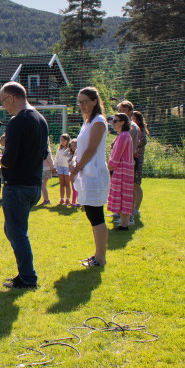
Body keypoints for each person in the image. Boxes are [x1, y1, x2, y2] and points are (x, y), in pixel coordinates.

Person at [0, 82, 48, 289]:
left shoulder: (17, 121)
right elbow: (43, 153)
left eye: (3, 101)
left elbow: (9, 160)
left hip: (17, 185)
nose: (4, 107)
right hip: (34, 185)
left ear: (11, 98)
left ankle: (28, 278)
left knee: (16, 233)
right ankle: (24, 276)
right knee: (16, 231)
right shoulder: (40, 119)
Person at [69, 87, 111, 268]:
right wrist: (74, 161)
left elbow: (92, 149)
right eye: (79, 102)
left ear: (95, 101)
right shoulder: (87, 122)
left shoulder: (99, 121)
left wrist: (76, 167)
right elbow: (81, 148)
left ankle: (100, 258)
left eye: (85, 101)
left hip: (95, 174)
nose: (82, 105)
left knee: (96, 215)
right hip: (87, 174)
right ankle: (97, 255)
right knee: (91, 214)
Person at [107, 113, 134, 231]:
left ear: (123, 122)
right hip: (123, 168)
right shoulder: (122, 135)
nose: (113, 123)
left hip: (122, 169)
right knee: (123, 195)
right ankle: (123, 224)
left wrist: (110, 165)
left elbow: (117, 153)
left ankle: (124, 224)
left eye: (116, 121)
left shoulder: (123, 136)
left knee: (123, 195)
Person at [115, 101, 141, 226]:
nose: (121, 113)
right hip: (122, 162)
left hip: (128, 161)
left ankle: (129, 216)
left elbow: (128, 148)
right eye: (120, 110)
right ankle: (121, 214)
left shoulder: (131, 128)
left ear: (130, 111)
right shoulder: (123, 129)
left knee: (128, 190)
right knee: (121, 190)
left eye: (123, 110)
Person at [131, 111, 149, 220]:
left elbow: (139, 143)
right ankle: (132, 207)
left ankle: (136, 208)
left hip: (137, 160)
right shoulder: (135, 130)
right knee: (132, 184)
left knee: (136, 184)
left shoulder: (141, 132)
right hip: (132, 160)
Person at [55, 134, 73, 206]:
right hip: (60, 167)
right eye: (61, 140)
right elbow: (56, 157)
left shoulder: (70, 149)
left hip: (67, 167)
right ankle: (62, 198)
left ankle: (68, 199)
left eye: (63, 140)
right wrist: (54, 166)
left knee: (67, 183)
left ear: (67, 141)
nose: (62, 142)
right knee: (62, 183)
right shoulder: (60, 149)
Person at [40, 140, 55, 205]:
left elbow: (50, 159)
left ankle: (46, 199)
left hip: (46, 169)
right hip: (42, 168)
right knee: (43, 184)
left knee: (42, 184)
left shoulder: (46, 149)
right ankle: (45, 199)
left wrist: (52, 168)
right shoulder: (41, 148)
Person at [69, 139, 80, 208]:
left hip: (76, 173)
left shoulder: (78, 153)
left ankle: (79, 202)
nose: (73, 147)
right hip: (71, 172)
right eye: (72, 146)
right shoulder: (71, 154)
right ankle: (73, 202)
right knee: (73, 187)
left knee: (78, 187)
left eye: (75, 146)